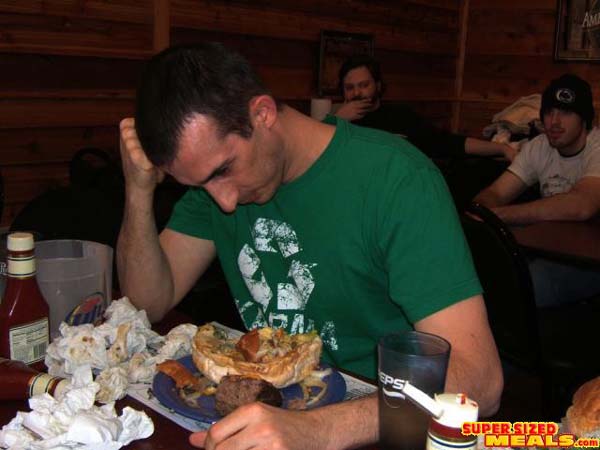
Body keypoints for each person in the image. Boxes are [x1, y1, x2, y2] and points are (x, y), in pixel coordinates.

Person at [118, 42, 503, 449]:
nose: (224, 201)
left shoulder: (397, 179)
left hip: (389, 426)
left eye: (224, 171)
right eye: (200, 185)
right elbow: (147, 302)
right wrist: (137, 192)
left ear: (262, 114)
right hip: (276, 417)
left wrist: (320, 430)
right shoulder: (213, 186)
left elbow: (482, 381)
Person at [474, 73, 600, 307]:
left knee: (524, 285)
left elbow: (582, 205)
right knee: (479, 267)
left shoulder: (597, 146)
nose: (554, 122)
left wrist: (498, 216)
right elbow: (497, 193)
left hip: (589, 260)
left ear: (584, 119)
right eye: (549, 112)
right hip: (550, 246)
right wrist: (478, 213)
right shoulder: (540, 146)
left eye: (565, 113)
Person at [334, 54, 520, 161]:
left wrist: (500, 149)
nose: (357, 93)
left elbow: (447, 143)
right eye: (350, 88)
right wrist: (337, 120)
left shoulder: (400, 117)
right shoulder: (335, 124)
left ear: (378, 86)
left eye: (364, 85)